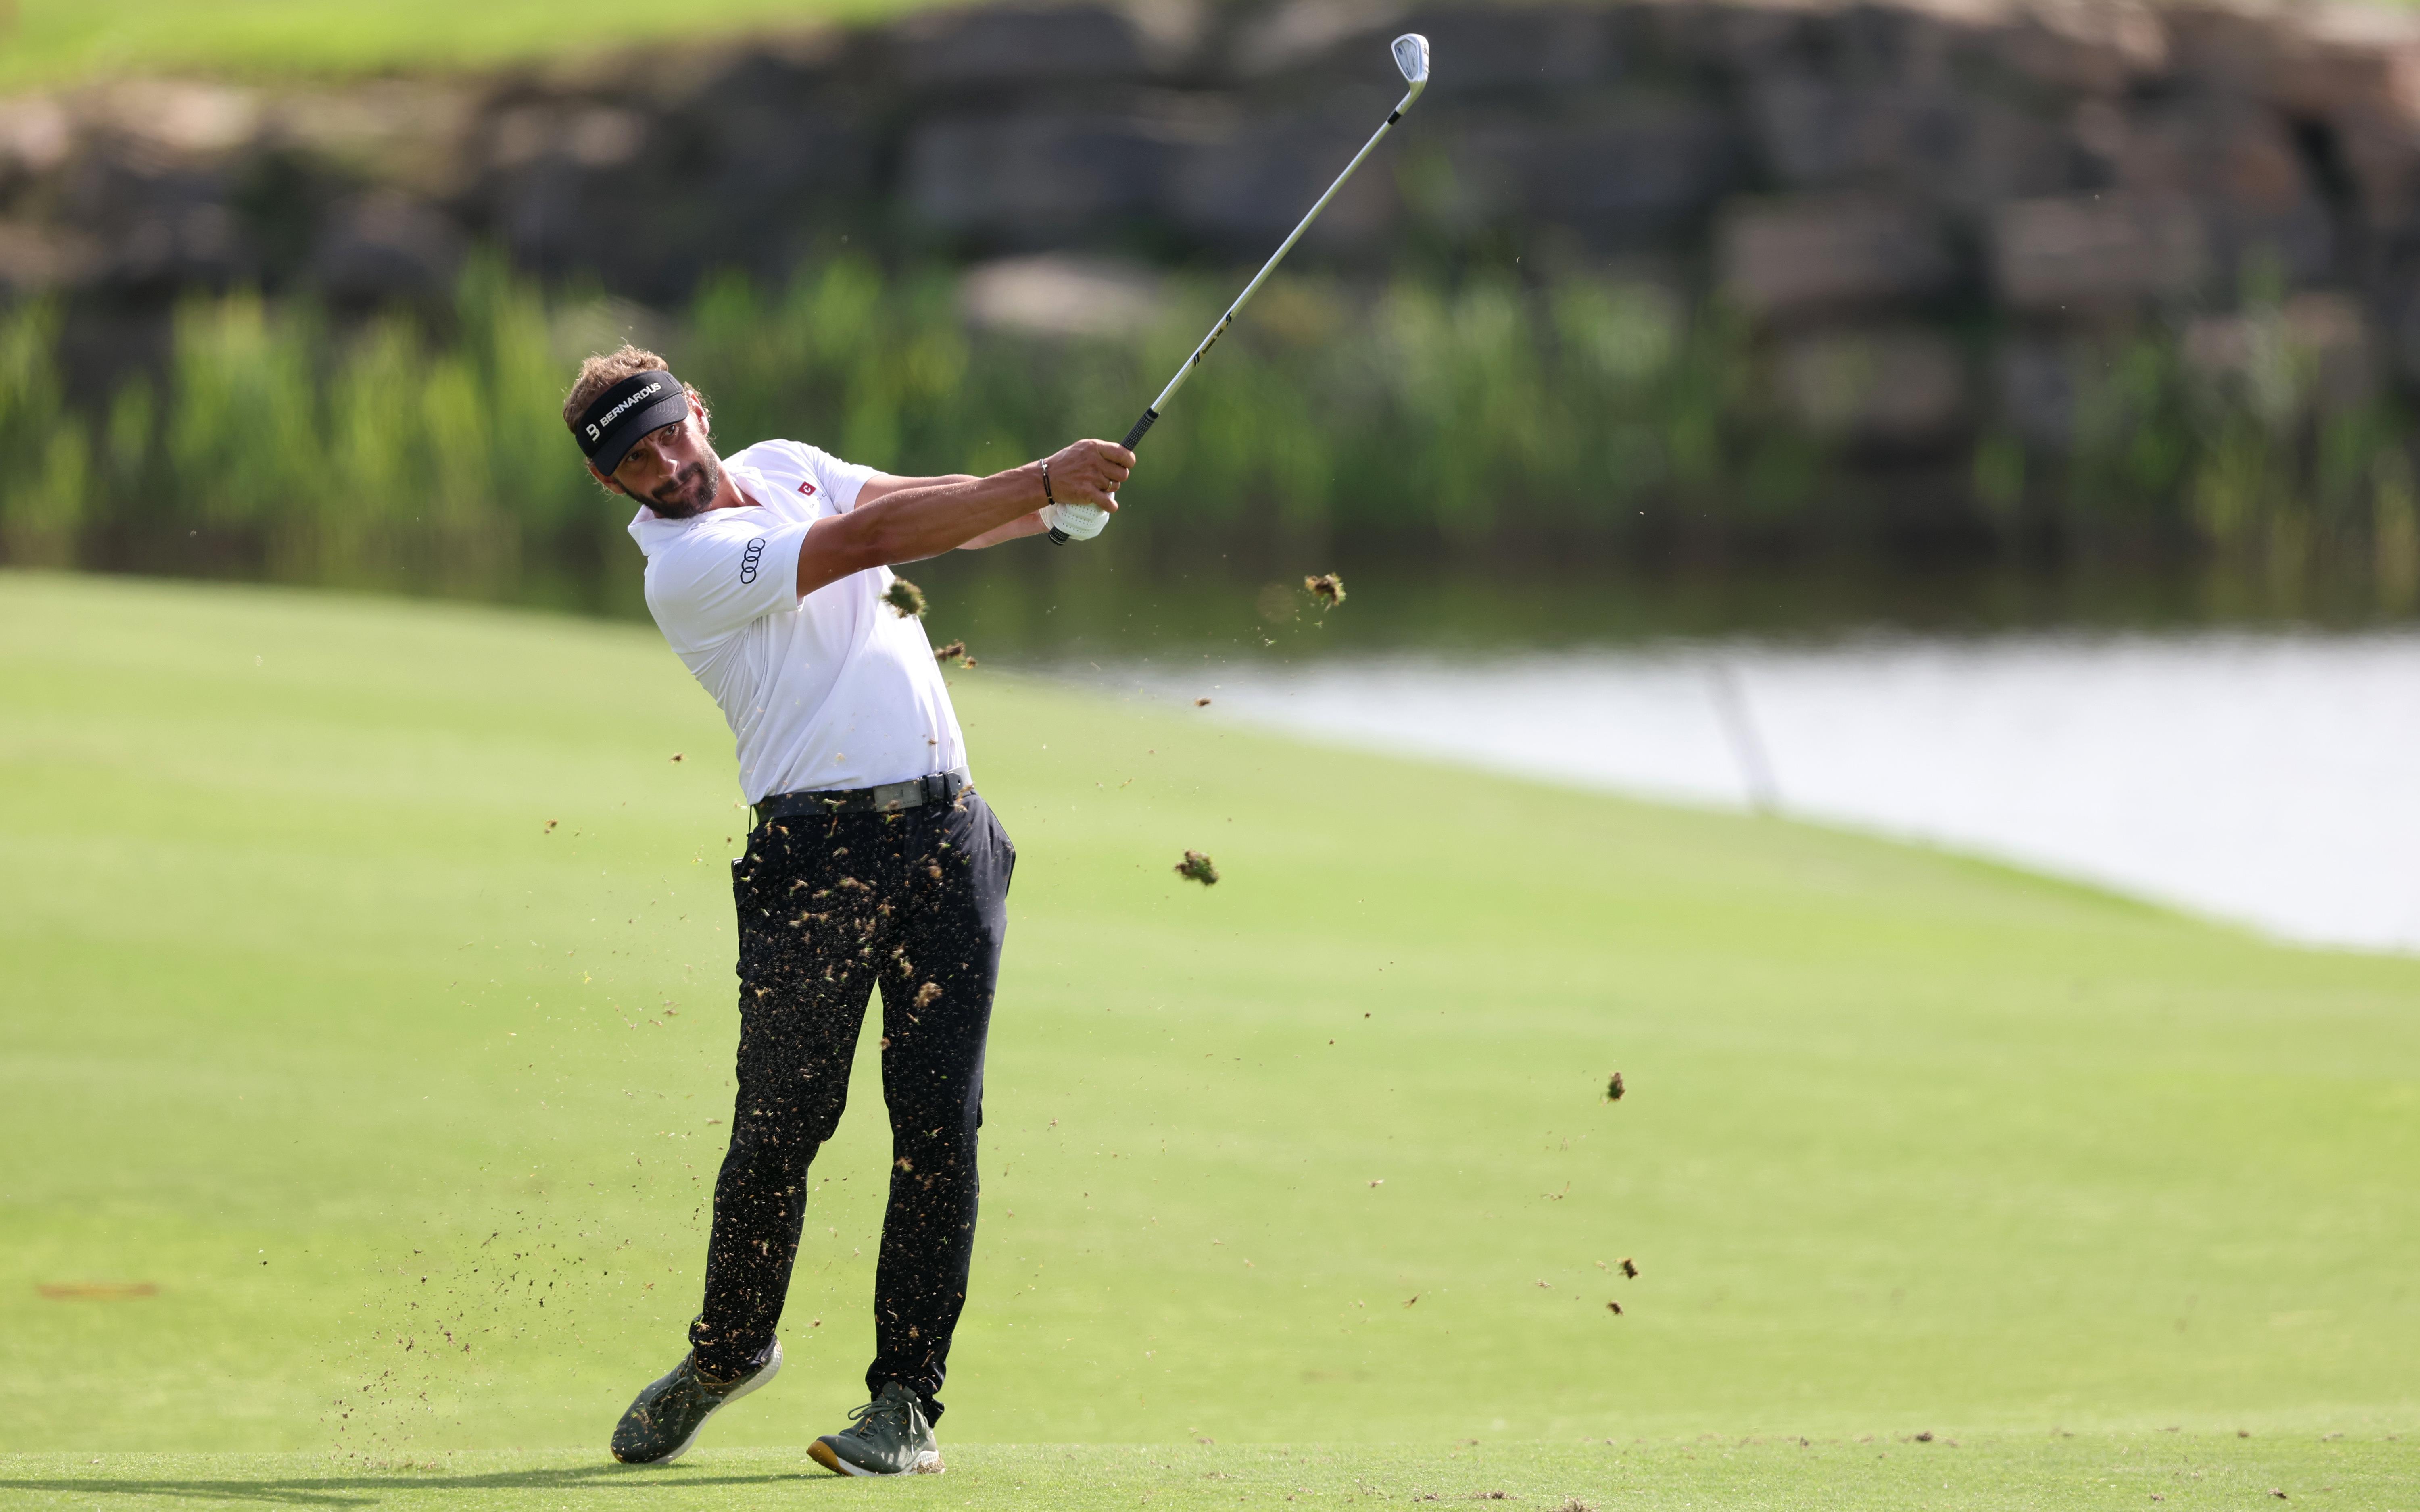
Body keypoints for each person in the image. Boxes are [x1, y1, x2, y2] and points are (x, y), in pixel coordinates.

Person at [563, 344, 1131, 1475]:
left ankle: (905, 1406)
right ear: (612, 485)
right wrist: (1040, 482)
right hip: (813, 858)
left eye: (670, 432)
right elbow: (868, 547)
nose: (666, 462)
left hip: (948, 838)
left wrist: (1046, 507)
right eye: (635, 459)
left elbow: (920, 511)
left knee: (938, 1130)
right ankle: (727, 1353)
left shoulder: (782, 464)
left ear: (699, 412)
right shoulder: (686, 564)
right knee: (779, 1133)